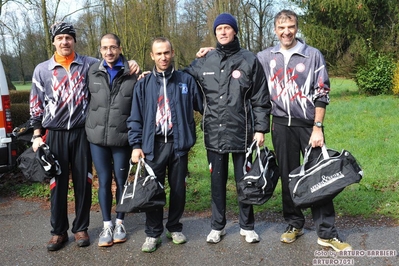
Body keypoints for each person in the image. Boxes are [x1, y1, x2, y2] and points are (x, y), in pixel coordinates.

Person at [29, 22, 139, 251]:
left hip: (82, 133)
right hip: (55, 133)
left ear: (74, 41)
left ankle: (81, 228)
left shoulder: (89, 64)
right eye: (60, 38)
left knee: (83, 182)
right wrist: (37, 135)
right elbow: (35, 105)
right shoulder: (42, 69)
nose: (64, 42)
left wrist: (132, 63)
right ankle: (58, 232)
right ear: (53, 42)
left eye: (68, 38)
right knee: (56, 184)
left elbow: (115, 67)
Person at [256, 10, 352, 251]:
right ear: (275, 30)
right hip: (279, 125)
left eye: (290, 27)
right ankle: (294, 223)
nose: (286, 31)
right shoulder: (265, 57)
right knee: (288, 177)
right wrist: (214, 51)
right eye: (281, 27)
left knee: (319, 177)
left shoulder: (312, 55)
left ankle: (326, 233)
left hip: (309, 126)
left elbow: (322, 92)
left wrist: (317, 127)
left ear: (296, 28)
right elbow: (241, 66)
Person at [184, 13, 271, 244]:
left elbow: (261, 98)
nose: (222, 32)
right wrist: (142, 72)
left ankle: (247, 226)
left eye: (227, 28)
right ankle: (217, 226)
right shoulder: (204, 61)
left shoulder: (249, 60)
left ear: (235, 31)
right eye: (219, 28)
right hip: (214, 133)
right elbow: (177, 79)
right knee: (217, 183)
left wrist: (261, 129)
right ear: (215, 33)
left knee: (246, 183)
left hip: (244, 133)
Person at [127, 37, 203, 253]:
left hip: (178, 146)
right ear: (152, 55)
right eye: (158, 53)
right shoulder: (143, 84)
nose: (163, 57)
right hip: (153, 146)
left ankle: (174, 227)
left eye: (166, 52)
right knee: (153, 192)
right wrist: (136, 145)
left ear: (172, 53)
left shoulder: (185, 81)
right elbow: (135, 118)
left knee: (178, 189)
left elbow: (204, 105)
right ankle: (152, 233)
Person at [85, 33, 139, 247]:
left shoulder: (132, 73)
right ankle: (106, 224)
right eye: (105, 48)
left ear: (120, 48)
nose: (109, 52)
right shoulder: (92, 71)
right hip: (97, 138)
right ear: (100, 49)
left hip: (122, 138)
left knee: (122, 181)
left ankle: (120, 222)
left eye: (113, 48)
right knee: (104, 181)